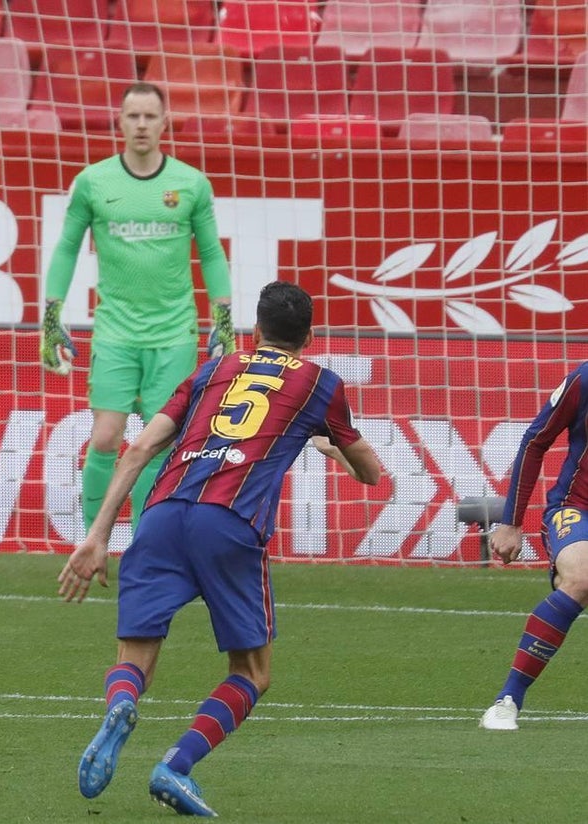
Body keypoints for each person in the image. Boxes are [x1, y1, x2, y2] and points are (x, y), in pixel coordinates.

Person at [57, 281, 382, 816]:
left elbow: (138, 448)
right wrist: (326, 444)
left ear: (257, 332)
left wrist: (96, 537)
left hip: (160, 516)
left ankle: (120, 705)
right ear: (310, 337)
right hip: (228, 523)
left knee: (136, 654)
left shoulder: (213, 370)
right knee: (252, 672)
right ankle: (176, 765)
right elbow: (371, 473)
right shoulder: (321, 383)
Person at [38, 81, 235, 534]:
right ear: (119, 122)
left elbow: (210, 253)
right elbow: (67, 248)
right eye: (133, 116)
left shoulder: (191, 184)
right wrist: (51, 314)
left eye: (150, 116)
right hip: (115, 333)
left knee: (156, 445)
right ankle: (92, 539)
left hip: (173, 334)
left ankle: (146, 539)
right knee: (106, 436)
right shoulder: (93, 182)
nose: (142, 125)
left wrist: (223, 316)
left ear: (165, 123)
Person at [479, 362, 588, 731]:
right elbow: (536, 440)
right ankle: (508, 699)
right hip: (577, 508)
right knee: (581, 578)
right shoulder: (584, 379)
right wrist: (511, 522)